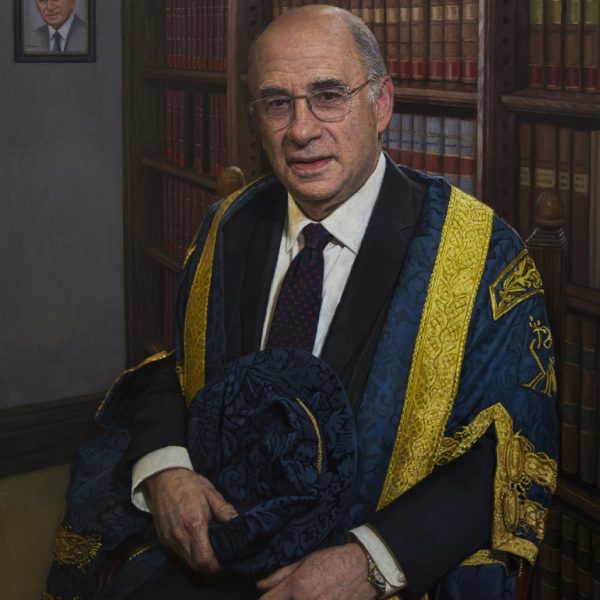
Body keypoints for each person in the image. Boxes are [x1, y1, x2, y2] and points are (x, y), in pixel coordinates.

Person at [45, 5, 558, 599]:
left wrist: (372, 561)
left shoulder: (475, 255)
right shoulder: (227, 227)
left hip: (371, 561)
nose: (301, 130)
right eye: (277, 102)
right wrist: (166, 466)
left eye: (328, 96)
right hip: (219, 550)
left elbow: (508, 451)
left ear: (381, 104)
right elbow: (180, 369)